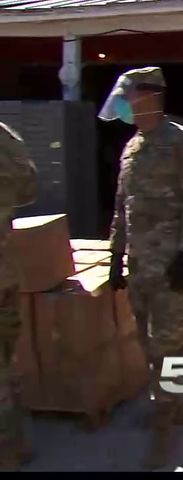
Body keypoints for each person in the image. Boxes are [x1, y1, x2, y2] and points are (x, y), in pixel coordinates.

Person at [99, 67, 183, 469]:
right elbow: (122, 207)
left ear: (148, 97)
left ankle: (164, 430)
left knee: (175, 347)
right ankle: (175, 404)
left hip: (173, 269)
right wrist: (116, 254)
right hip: (141, 269)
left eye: (127, 96)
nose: (122, 105)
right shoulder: (132, 147)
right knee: (151, 347)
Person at [0, 121, 38, 471]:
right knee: (6, 360)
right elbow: (28, 188)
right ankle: (15, 444)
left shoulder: (182, 143)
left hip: (173, 266)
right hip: (5, 271)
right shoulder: (6, 138)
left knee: (172, 346)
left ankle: (175, 410)